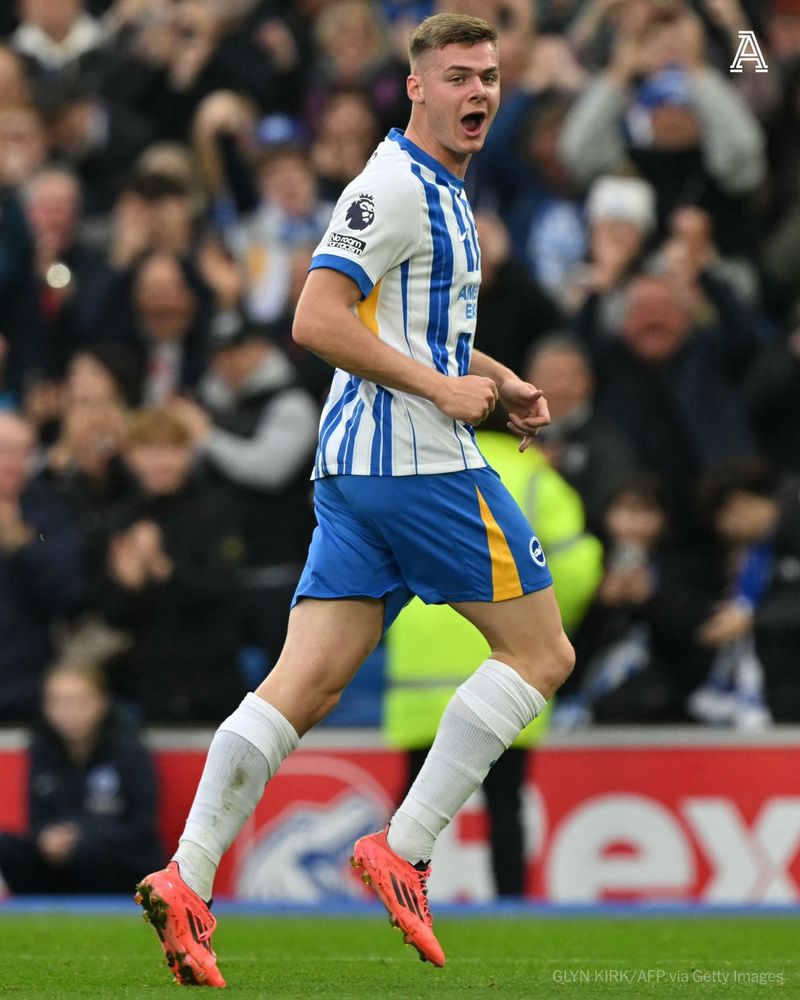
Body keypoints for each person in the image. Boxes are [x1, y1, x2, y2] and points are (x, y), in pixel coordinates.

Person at [135, 14, 574, 989]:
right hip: (416, 468)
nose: (477, 91)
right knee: (540, 652)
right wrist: (444, 395)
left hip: (353, 476)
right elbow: (314, 317)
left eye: (490, 76)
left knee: (305, 685)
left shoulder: (440, 191)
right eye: (457, 75)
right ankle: (405, 848)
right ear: (412, 88)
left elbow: (412, 332)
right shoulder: (392, 186)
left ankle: (188, 873)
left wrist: (492, 380)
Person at [0, 660, 163, 894]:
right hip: (61, 860)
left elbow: (141, 826)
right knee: (8, 847)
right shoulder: (41, 749)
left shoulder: (129, 748)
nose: (70, 712)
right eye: (59, 703)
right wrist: (47, 838)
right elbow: (38, 818)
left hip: (118, 861)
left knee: (88, 850)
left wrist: (81, 832)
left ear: (101, 703)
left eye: (79, 702)